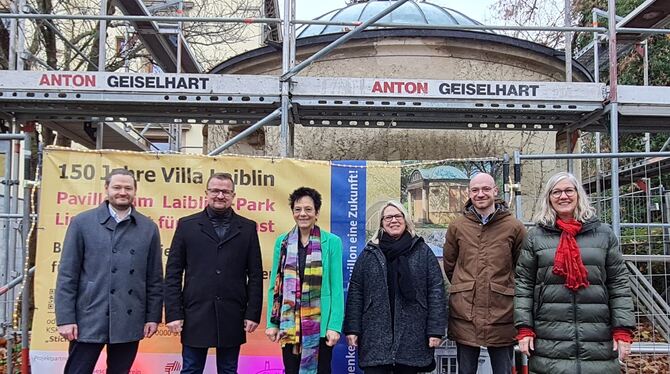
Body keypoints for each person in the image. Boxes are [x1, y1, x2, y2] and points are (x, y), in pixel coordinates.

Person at [515, 171, 635, 374]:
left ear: (578, 194)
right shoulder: (535, 237)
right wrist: (524, 328)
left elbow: (619, 284)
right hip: (549, 335)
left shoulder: (603, 234)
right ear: (549, 198)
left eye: (569, 190)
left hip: (598, 334)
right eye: (557, 192)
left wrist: (622, 329)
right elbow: (523, 285)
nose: (563, 196)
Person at [55, 168, 163, 374]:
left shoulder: (148, 228)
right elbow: (67, 275)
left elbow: (155, 278)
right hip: (89, 317)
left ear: (135, 191)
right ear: (106, 189)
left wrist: (152, 317)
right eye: (117, 187)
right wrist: (66, 319)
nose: (122, 192)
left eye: (128, 188)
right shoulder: (82, 223)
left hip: (129, 317)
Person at [164, 172, 263, 374]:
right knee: (191, 369)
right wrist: (174, 313)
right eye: (215, 191)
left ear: (233, 195)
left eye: (225, 192)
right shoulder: (187, 225)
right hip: (195, 313)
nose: (220, 195)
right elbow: (173, 272)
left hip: (232, 313)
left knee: (228, 370)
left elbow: (255, 274)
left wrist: (252, 313)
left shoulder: (247, 228)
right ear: (206, 193)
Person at [344, 201, 446, 374]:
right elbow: (356, 292)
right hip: (375, 340)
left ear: (406, 220)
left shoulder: (423, 251)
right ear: (382, 223)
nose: (393, 220)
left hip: (412, 337)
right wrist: (353, 329)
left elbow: (436, 290)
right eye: (388, 217)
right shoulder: (369, 253)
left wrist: (435, 331)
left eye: (398, 216)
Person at [442, 172, 526, 374]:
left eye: (486, 189)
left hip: (501, 311)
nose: (480, 194)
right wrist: (466, 286)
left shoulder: (514, 227)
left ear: (495, 191)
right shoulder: (457, 227)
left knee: (503, 370)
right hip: (465, 312)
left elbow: (521, 267)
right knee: (465, 370)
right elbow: (450, 265)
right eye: (475, 190)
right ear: (469, 193)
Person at [265, 187, 344, 374]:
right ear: (293, 212)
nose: (303, 214)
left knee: (322, 370)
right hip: (289, 324)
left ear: (317, 212)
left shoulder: (332, 242)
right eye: (298, 209)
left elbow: (337, 288)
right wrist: (272, 323)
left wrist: (334, 326)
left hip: (320, 326)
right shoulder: (282, 242)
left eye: (308, 209)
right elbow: (275, 287)